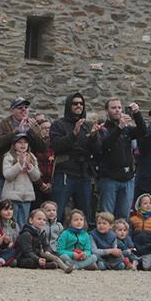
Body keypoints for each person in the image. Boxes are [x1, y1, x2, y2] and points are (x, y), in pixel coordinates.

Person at [48, 92, 94, 227]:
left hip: (83, 173)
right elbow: (56, 145)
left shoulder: (87, 125)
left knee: (85, 213)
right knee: (57, 212)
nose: (78, 106)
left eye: (81, 103)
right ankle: (54, 240)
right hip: (65, 173)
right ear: (69, 105)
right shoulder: (59, 124)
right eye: (75, 103)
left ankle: (84, 243)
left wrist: (94, 137)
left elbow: (96, 149)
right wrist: (73, 134)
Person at [90, 98, 141, 219]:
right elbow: (105, 145)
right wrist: (120, 127)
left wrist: (137, 114)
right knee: (107, 216)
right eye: (113, 108)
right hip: (109, 179)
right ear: (107, 111)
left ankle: (121, 238)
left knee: (123, 217)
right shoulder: (103, 129)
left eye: (119, 107)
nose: (117, 110)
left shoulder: (127, 129)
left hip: (127, 178)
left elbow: (143, 132)